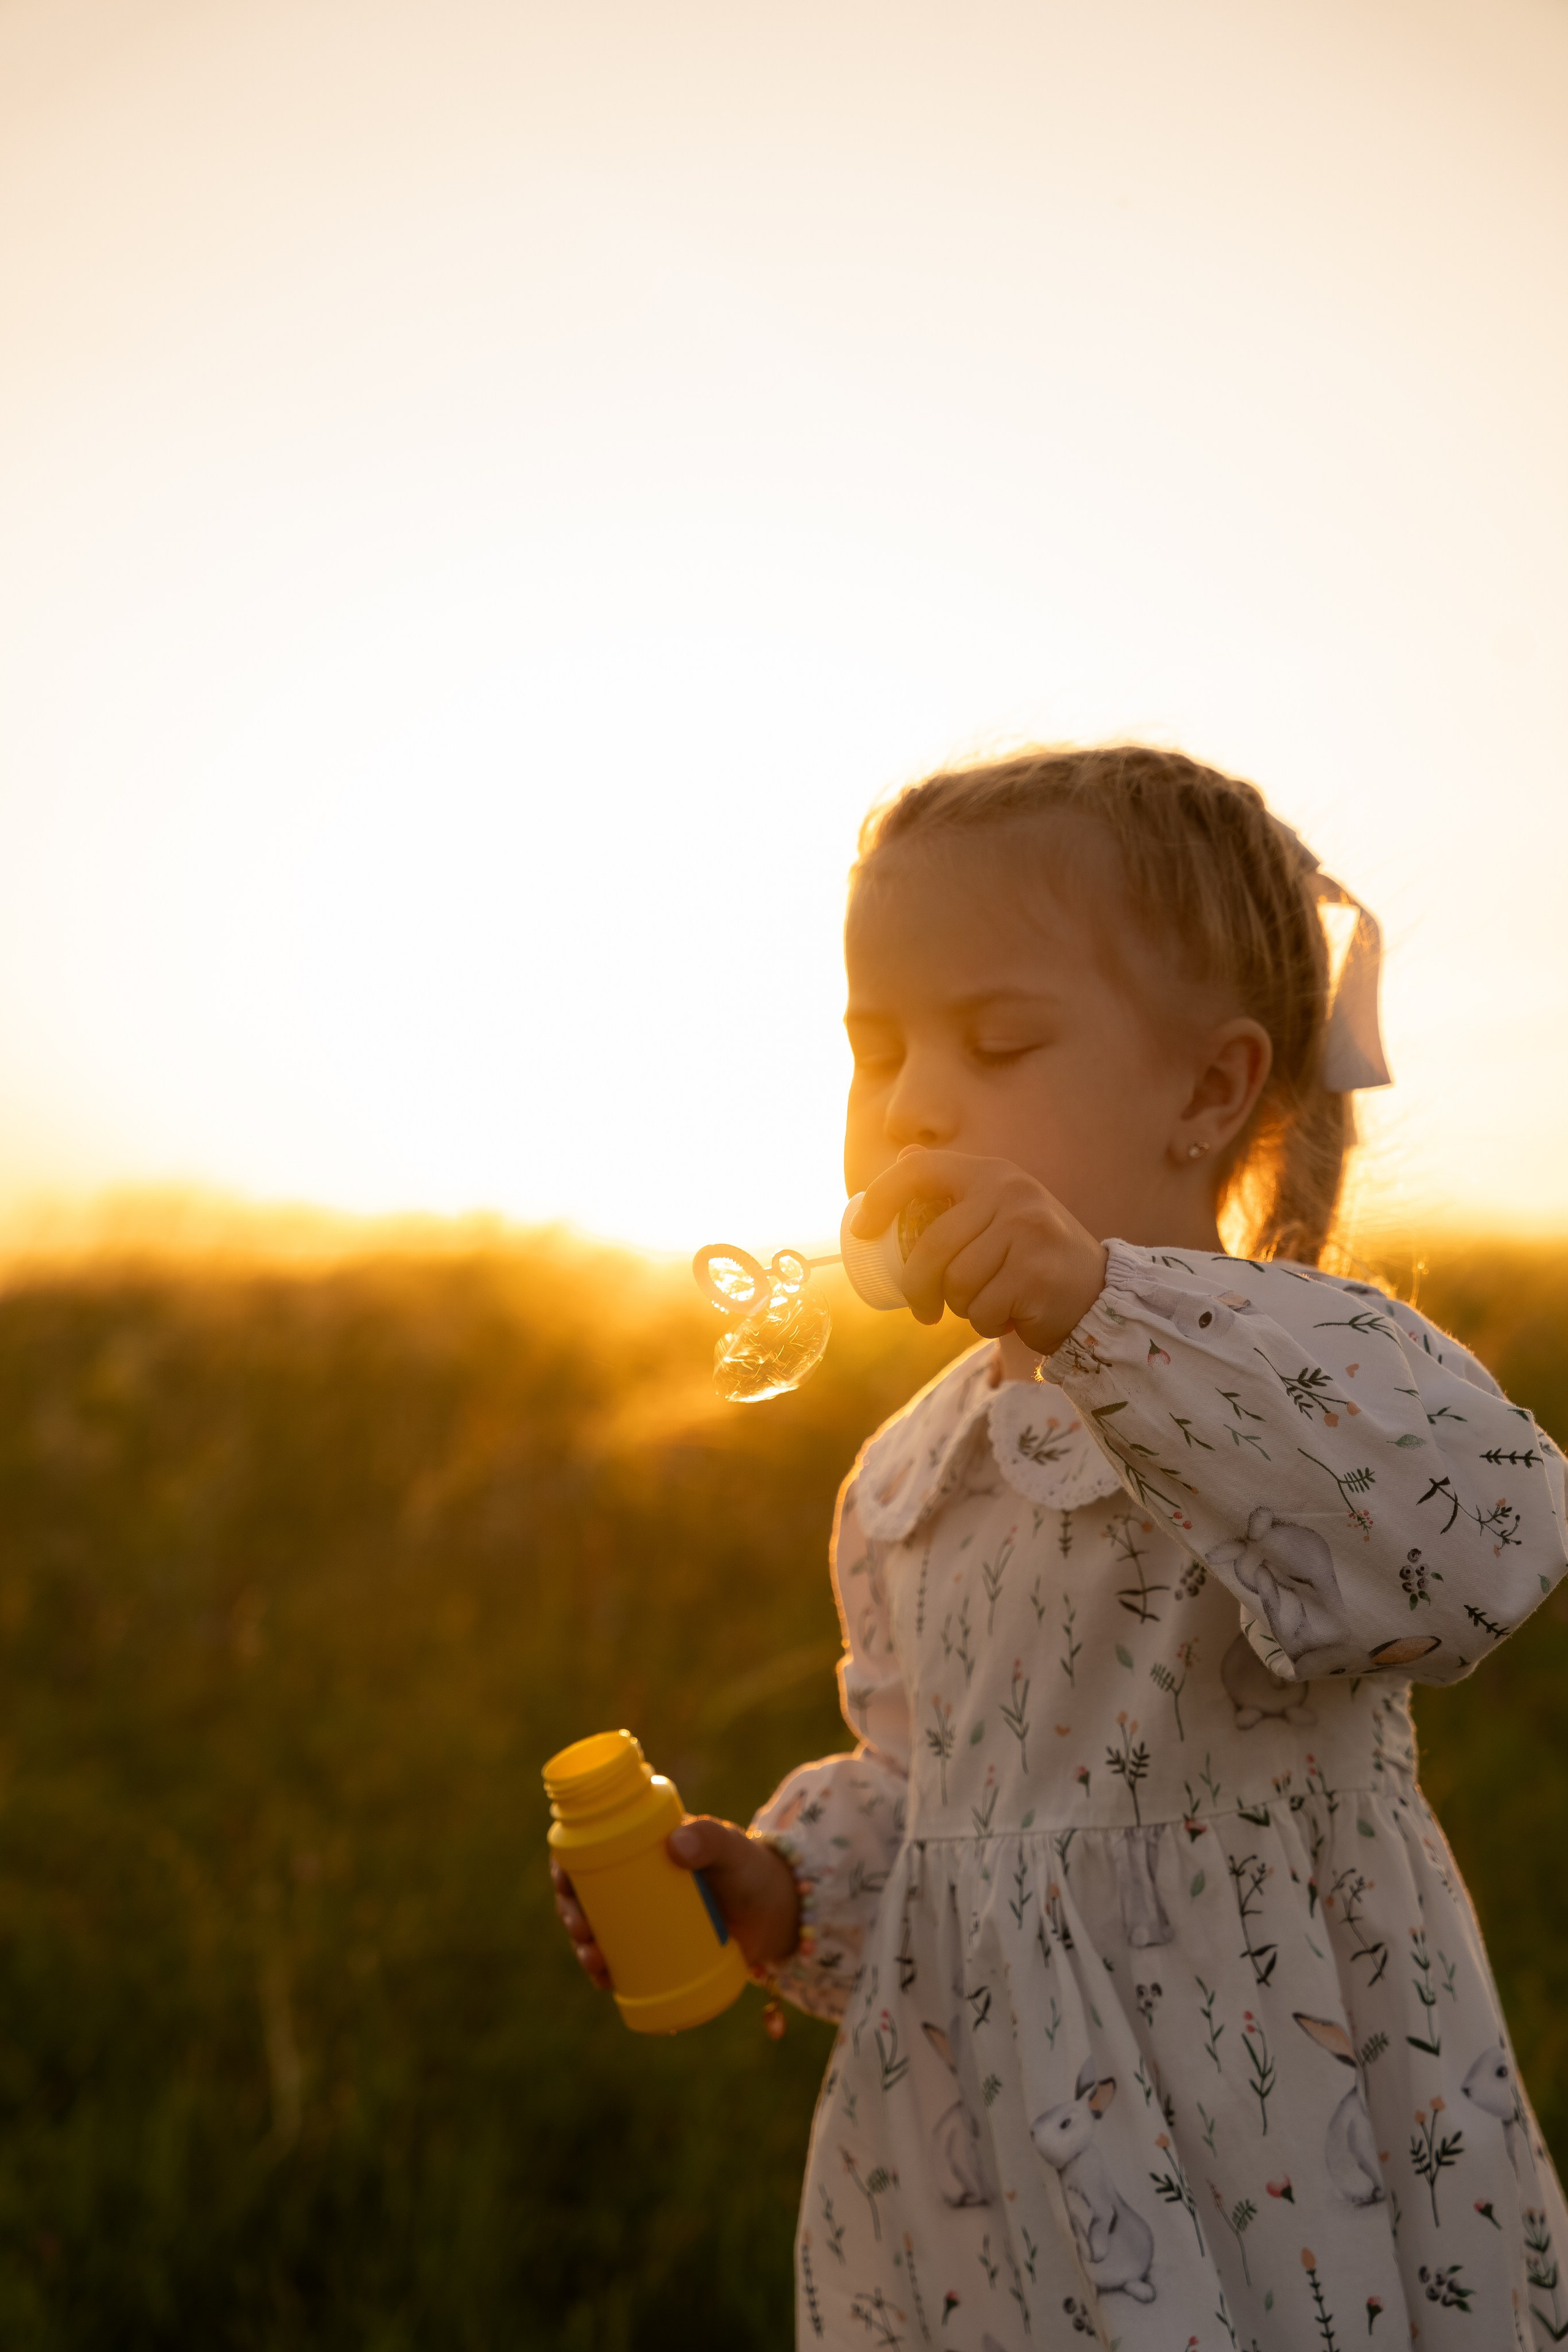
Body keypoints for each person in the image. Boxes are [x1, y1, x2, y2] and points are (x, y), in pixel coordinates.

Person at [552, 744, 1568, 2348]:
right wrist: (773, 1888)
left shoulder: (1307, 1367)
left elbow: (1480, 1541)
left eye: (999, 1039)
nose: (917, 1103)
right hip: (1001, 2172)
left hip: (1281, 2140)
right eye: (874, 1052)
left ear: (1209, 1091)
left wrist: (1105, 1312)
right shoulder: (914, 1478)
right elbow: (942, 1806)